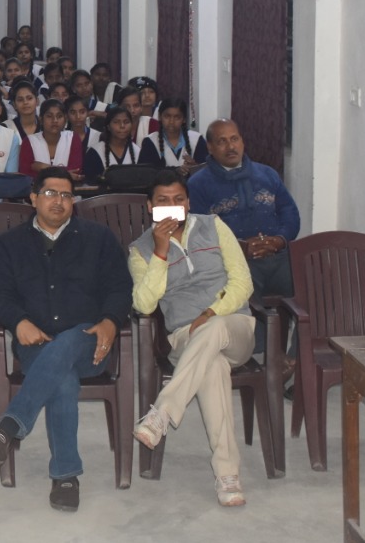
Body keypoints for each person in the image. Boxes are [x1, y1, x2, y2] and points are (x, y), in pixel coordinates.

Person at [0, 167, 132, 512]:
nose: (58, 201)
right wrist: (18, 322)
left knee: (72, 340)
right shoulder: (10, 244)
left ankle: (10, 426)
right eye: (50, 193)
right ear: (33, 198)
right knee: (61, 378)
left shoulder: (99, 239)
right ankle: (65, 475)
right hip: (36, 344)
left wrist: (110, 321)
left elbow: (121, 288)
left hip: (90, 343)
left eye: (66, 195)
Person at [127, 170, 256, 507]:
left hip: (234, 327)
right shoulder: (140, 249)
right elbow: (144, 304)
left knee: (214, 329)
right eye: (163, 201)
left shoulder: (213, 226)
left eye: (179, 200)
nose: (173, 206)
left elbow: (243, 282)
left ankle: (163, 411)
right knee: (213, 367)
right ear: (150, 206)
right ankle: (228, 476)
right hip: (186, 339)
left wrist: (211, 313)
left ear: (188, 202)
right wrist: (160, 253)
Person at [187, 119, 299, 352]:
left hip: (277, 255)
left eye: (234, 139)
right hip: (235, 261)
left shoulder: (267, 174)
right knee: (241, 293)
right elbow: (199, 231)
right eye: (222, 142)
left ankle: (296, 358)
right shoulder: (198, 184)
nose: (231, 147)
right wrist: (238, 247)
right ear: (210, 147)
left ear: (242, 141)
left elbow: (290, 213)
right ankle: (257, 355)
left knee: (316, 288)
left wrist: (279, 240)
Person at [139, 98, 208, 172]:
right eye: (167, 116)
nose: (171, 121)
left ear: (184, 119)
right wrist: (175, 171)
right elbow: (145, 173)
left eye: (177, 117)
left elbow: (208, 170)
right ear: (160, 117)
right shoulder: (150, 142)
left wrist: (195, 167)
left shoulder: (196, 140)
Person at [82, 105, 141, 182]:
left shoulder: (138, 151)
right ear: (108, 127)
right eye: (116, 122)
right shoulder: (94, 152)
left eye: (126, 122)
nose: (122, 126)